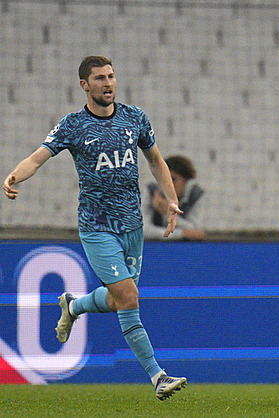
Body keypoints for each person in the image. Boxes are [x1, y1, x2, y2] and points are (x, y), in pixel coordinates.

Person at [2, 56, 187, 400]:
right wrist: (15, 176)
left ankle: (73, 306)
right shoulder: (73, 125)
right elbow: (38, 156)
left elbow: (155, 161)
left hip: (132, 226)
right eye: (100, 78)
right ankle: (157, 376)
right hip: (97, 227)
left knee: (119, 300)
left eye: (111, 76)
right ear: (85, 85)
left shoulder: (136, 118)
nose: (108, 83)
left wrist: (172, 199)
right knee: (129, 297)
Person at [144, 155, 207, 241]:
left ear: (186, 180)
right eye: (164, 179)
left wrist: (168, 214)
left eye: (173, 179)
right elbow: (143, 231)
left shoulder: (195, 195)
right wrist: (182, 234)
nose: (168, 184)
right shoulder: (151, 192)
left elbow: (196, 231)